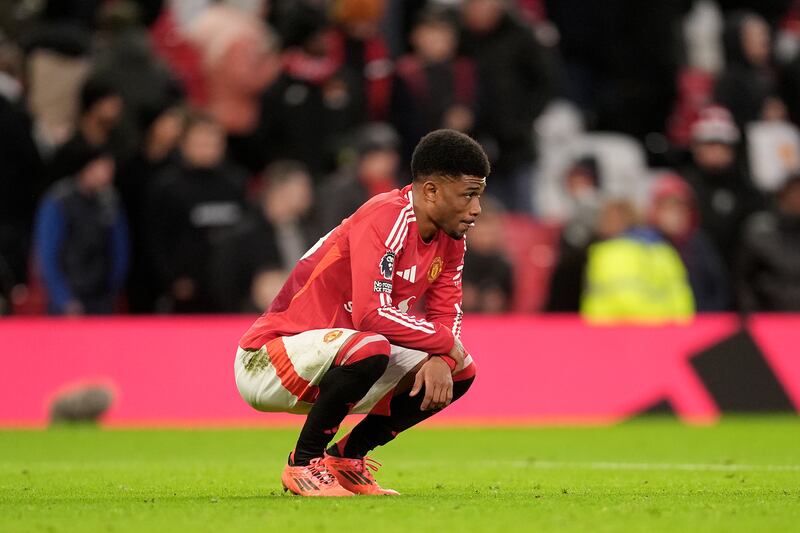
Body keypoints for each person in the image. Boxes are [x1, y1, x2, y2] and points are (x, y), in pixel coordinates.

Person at [235, 129, 487, 496]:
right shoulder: (386, 216)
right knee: (372, 344)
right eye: (468, 194)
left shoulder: (452, 239)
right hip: (270, 357)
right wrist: (445, 344)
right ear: (431, 191)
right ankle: (303, 463)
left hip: (340, 358)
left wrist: (443, 357)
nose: (476, 208)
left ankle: (347, 458)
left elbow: (447, 311)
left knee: (461, 370)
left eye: (479, 195)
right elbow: (372, 315)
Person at [33, 144, 129, 315]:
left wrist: (112, 289)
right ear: (88, 167)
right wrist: (62, 298)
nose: (109, 174)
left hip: (101, 295)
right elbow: (47, 253)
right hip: (69, 293)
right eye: (104, 168)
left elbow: (120, 248)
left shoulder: (110, 201)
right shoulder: (59, 200)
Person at [736, 174, 800, 311]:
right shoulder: (759, 233)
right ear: (782, 197)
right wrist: (750, 313)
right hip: (768, 316)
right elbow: (743, 280)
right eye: (794, 193)